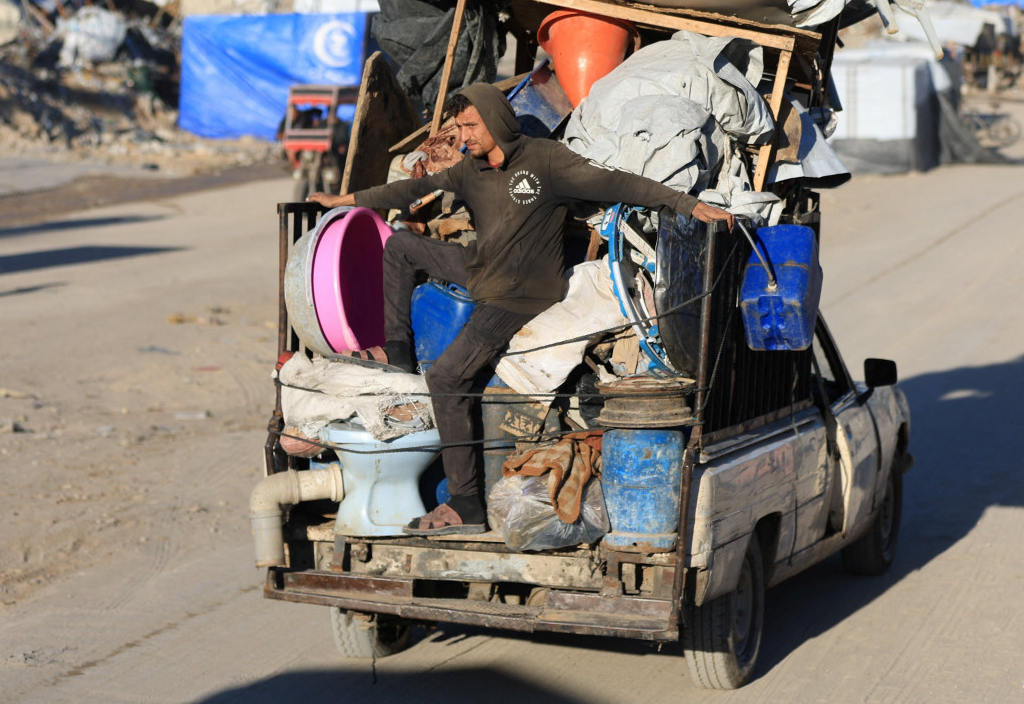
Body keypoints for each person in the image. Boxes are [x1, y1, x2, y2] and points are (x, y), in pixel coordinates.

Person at [308, 83, 734, 536]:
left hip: (521, 292)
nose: (464, 135)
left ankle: (465, 502)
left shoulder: (546, 160)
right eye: (460, 126)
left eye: (472, 125)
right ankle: (398, 352)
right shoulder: (471, 169)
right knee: (399, 247)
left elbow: (618, 183)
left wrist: (689, 204)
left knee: (448, 377)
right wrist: (344, 201)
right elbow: (414, 188)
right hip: (482, 269)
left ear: (497, 120)